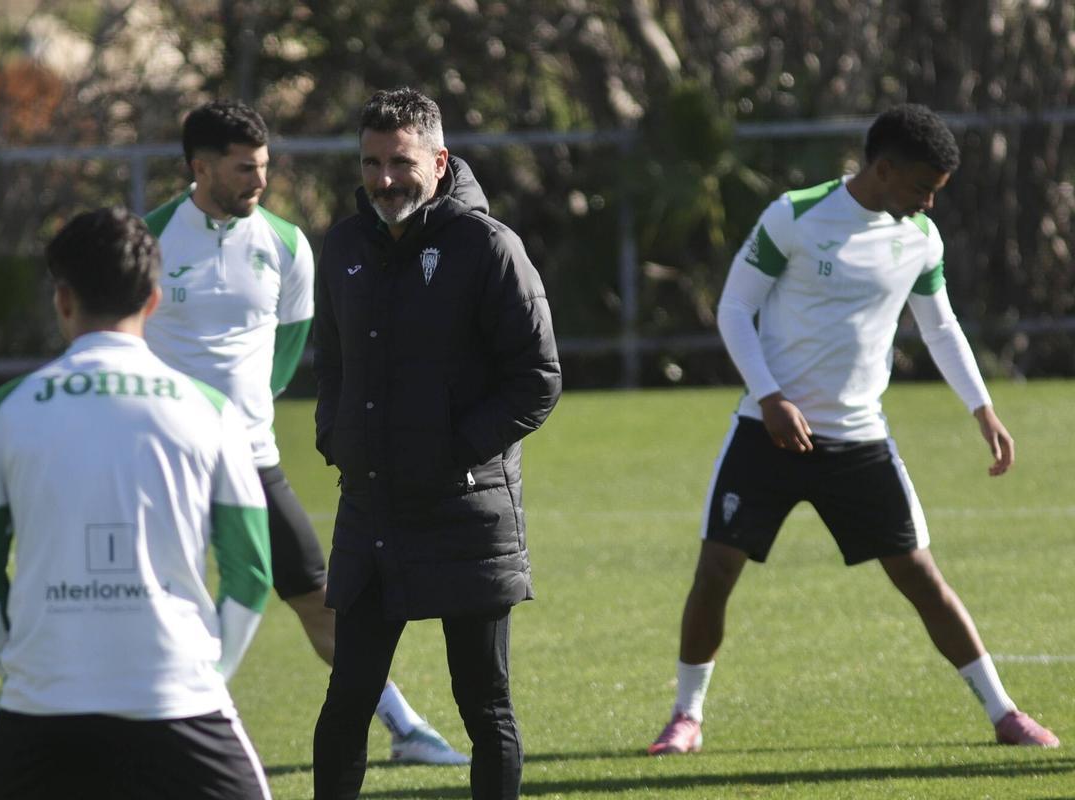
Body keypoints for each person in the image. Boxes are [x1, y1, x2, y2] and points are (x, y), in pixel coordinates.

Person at [647, 104, 1060, 756]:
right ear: (884, 168)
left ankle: (1005, 713)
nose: (927, 201)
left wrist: (982, 408)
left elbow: (941, 325)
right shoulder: (796, 215)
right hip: (767, 432)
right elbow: (734, 310)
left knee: (922, 577)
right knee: (716, 571)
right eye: (922, 186)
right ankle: (686, 718)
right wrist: (772, 398)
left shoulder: (920, 236)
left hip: (859, 440)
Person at [142, 99, 467, 766]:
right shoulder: (148, 242)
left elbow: (292, 346)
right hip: (160, 462)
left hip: (251, 461)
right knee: (158, 601)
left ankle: (406, 728)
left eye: (263, 167)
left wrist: (246, 414)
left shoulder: (286, 246)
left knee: (319, 598)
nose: (259, 182)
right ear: (198, 168)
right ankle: (146, 738)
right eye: (243, 170)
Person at [0, 207, 274, 799]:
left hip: (41, 708)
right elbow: (251, 571)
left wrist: (25, 672)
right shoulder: (211, 410)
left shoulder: (4, 409)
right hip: (180, 702)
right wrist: (209, 674)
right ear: (154, 300)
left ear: (63, 299)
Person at [310, 87, 562, 800]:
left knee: (485, 707)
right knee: (346, 704)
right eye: (370, 163)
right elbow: (333, 363)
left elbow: (537, 379)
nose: (384, 179)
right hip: (371, 511)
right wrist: (336, 437)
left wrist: (449, 452)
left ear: (440, 160)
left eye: (400, 162)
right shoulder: (346, 246)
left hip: (466, 511)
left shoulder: (488, 247)